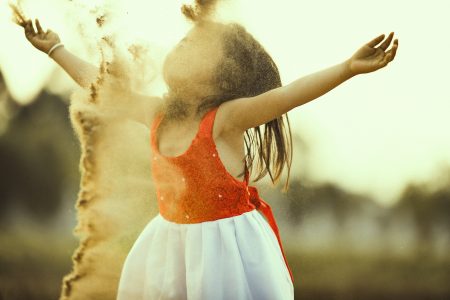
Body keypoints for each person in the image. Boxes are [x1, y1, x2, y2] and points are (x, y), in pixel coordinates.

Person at [17, 3, 398, 299]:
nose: (182, 45)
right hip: (168, 246)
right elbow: (103, 88)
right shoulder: (158, 112)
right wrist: (55, 49)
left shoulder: (226, 120)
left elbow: (287, 96)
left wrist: (348, 67)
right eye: (184, 40)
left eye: (196, 44)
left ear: (224, 73)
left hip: (225, 254)